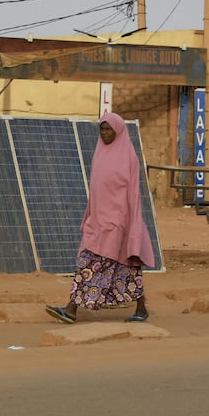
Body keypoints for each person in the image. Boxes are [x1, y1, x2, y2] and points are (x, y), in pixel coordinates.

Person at [46, 112, 155, 324]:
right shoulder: (99, 153)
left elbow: (132, 193)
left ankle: (71, 309)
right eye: (102, 129)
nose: (105, 134)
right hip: (97, 220)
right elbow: (96, 189)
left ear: (118, 131)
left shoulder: (128, 157)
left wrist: (130, 225)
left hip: (117, 222)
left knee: (91, 263)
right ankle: (141, 308)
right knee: (123, 270)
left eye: (109, 130)